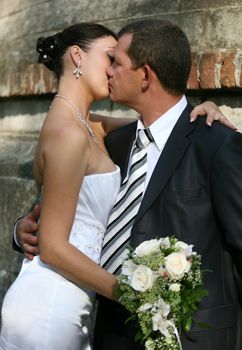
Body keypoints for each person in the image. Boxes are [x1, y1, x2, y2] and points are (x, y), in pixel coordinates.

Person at [2, 21, 236, 350]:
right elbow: (54, 237)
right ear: (77, 57)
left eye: (117, 61)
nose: (111, 70)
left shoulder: (95, 128)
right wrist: (136, 294)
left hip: (92, 311)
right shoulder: (71, 132)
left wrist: (211, 108)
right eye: (108, 58)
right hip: (58, 307)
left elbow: (165, 123)